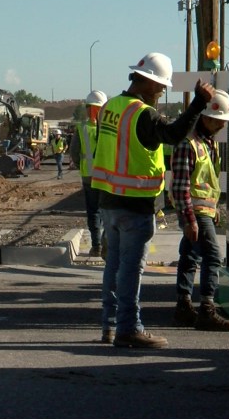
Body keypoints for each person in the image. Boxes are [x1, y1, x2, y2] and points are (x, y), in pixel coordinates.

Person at [91, 52, 215, 348]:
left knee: (114, 266)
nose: (161, 92)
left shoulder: (111, 106)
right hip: (135, 203)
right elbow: (173, 135)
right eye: (160, 86)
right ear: (146, 82)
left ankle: (109, 326)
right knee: (131, 269)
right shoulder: (142, 113)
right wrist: (198, 103)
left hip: (109, 199)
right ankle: (129, 328)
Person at [172, 90, 229, 332]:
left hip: (202, 211)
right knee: (212, 256)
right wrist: (190, 219)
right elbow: (181, 186)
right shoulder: (188, 143)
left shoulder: (207, 143)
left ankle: (183, 307)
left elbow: (207, 181)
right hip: (194, 211)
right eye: (219, 119)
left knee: (190, 256)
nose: (222, 124)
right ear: (206, 117)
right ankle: (206, 310)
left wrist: (215, 207)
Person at [69, 90, 108, 257]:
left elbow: (74, 153)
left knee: (93, 212)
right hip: (108, 177)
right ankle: (108, 244)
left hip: (89, 176)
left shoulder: (82, 128)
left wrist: (83, 166)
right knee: (108, 210)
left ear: (88, 108)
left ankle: (97, 245)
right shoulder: (110, 129)